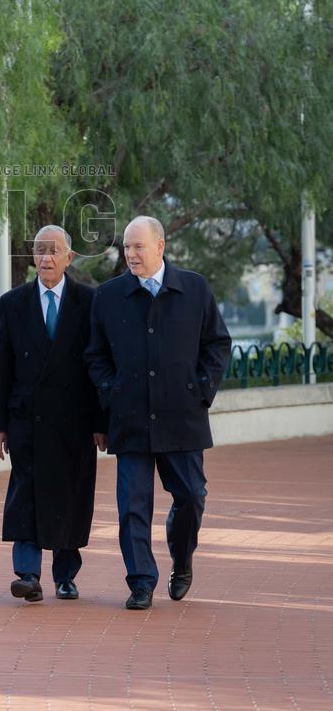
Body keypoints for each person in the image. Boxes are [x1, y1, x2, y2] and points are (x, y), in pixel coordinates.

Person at [85, 215, 231, 610]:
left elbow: (217, 345)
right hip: (129, 417)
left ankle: (182, 560)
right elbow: (95, 356)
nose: (130, 254)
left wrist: (201, 391)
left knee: (191, 497)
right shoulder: (109, 296)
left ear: (160, 247)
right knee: (132, 507)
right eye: (126, 247)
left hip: (182, 417)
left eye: (138, 246)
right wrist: (111, 393)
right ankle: (141, 582)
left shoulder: (195, 289)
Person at [0, 225, 106, 603]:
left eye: (54, 250)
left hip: (75, 421)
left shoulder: (89, 302)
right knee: (26, 492)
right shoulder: (13, 303)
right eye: (40, 250)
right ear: (32, 257)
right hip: (27, 418)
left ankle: (65, 575)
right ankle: (27, 573)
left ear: (69, 258)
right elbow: (2, 368)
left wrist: (101, 423)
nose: (46, 257)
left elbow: (98, 366)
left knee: (70, 495)